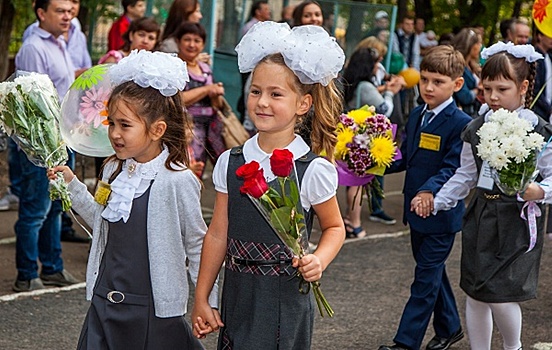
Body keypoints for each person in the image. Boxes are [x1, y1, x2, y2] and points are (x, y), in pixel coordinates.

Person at [48, 50, 219, 349]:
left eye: (125, 125)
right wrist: (72, 186)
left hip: (152, 312)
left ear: (157, 130)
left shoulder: (177, 181)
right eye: (111, 123)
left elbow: (197, 244)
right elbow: (101, 222)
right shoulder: (112, 169)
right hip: (104, 303)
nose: (114, 133)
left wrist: (207, 300)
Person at [190, 21, 345, 348]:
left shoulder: (312, 169)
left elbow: (334, 227)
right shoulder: (230, 161)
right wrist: (203, 296)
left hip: (284, 298)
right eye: (256, 91)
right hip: (238, 294)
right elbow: (218, 232)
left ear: (302, 104)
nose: (262, 102)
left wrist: (320, 259)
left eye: (276, 94)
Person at [414, 42, 550, 350]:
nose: (493, 97)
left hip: (516, 220)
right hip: (481, 216)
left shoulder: (538, 130)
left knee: (501, 295)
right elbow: (465, 174)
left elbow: (550, 172)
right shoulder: (477, 127)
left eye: (502, 89)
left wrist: (538, 190)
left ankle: (512, 347)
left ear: (524, 86)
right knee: (475, 293)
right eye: (487, 89)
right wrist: (439, 199)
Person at [378, 45, 471, 350]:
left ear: (457, 85)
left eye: (438, 82)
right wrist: (373, 162)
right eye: (425, 79)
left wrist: (428, 189)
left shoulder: (460, 123)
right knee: (432, 274)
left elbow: (452, 167)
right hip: (415, 212)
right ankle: (451, 328)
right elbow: (407, 156)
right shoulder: (418, 114)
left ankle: (405, 343)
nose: (429, 87)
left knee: (423, 281)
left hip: (440, 215)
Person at [12, 0, 80, 292]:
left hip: (64, 137)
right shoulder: (33, 47)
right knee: (35, 210)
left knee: (55, 208)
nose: (68, 16)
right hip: (42, 145)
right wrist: (46, 147)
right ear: (41, 13)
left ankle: (53, 268)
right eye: (60, 11)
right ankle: (27, 274)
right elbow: (31, 100)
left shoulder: (61, 42)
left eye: (69, 10)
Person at [341, 47, 402, 237]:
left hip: (350, 136)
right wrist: (391, 92)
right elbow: (385, 109)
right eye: (376, 64)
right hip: (363, 139)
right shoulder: (365, 87)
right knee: (357, 184)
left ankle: (350, 219)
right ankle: (355, 224)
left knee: (352, 183)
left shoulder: (349, 82)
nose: (379, 67)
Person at [177, 22, 226, 176]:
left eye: (197, 41)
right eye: (187, 39)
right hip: (184, 129)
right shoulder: (175, 67)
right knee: (184, 170)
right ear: (178, 42)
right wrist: (207, 89)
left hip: (207, 131)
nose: (192, 45)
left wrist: (216, 94)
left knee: (199, 170)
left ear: (203, 44)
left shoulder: (205, 69)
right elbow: (177, 99)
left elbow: (216, 105)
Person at [451, 28, 483, 117]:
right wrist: (478, 89)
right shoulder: (458, 67)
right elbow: (465, 97)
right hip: (464, 114)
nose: (480, 46)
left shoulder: (471, 66)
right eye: (478, 43)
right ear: (470, 45)